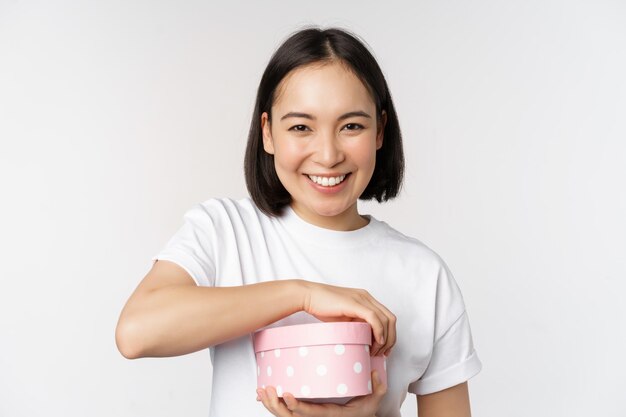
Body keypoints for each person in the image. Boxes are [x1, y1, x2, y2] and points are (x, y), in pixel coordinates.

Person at [115, 26, 482, 417]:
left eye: (352, 126)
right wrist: (302, 294)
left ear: (380, 132)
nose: (327, 154)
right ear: (268, 133)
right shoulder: (226, 231)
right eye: (301, 127)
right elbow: (136, 333)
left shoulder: (424, 275)